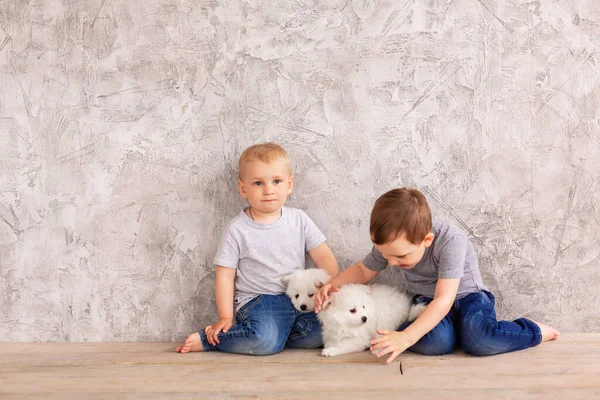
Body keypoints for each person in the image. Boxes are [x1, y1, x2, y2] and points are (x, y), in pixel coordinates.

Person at [315, 188, 559, 363]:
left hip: (466, 298)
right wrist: (332, 285)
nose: (391, 262)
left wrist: (407, 337)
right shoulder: (392, 244)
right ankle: (456, 333)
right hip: (426, 301)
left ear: (427, 240)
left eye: (400, 257)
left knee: (480, 340)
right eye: (385, 255)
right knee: (434, 343)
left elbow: (445, 298)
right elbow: (362, 270)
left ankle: (532, 331)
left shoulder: (450, 241)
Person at [177, 142, 338, 355]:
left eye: (277, 181)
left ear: (289, 185)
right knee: (265, 342)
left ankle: (273, 336)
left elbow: (324, 256)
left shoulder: (299, 219)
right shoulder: (237, 229)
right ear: (243, 189)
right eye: (258, 183)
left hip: (298, 297)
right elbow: (225, 276)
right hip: (260, 300)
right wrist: (226, 317)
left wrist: (331, 287)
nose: (269, 190)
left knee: (327, 332)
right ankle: (210, 341)